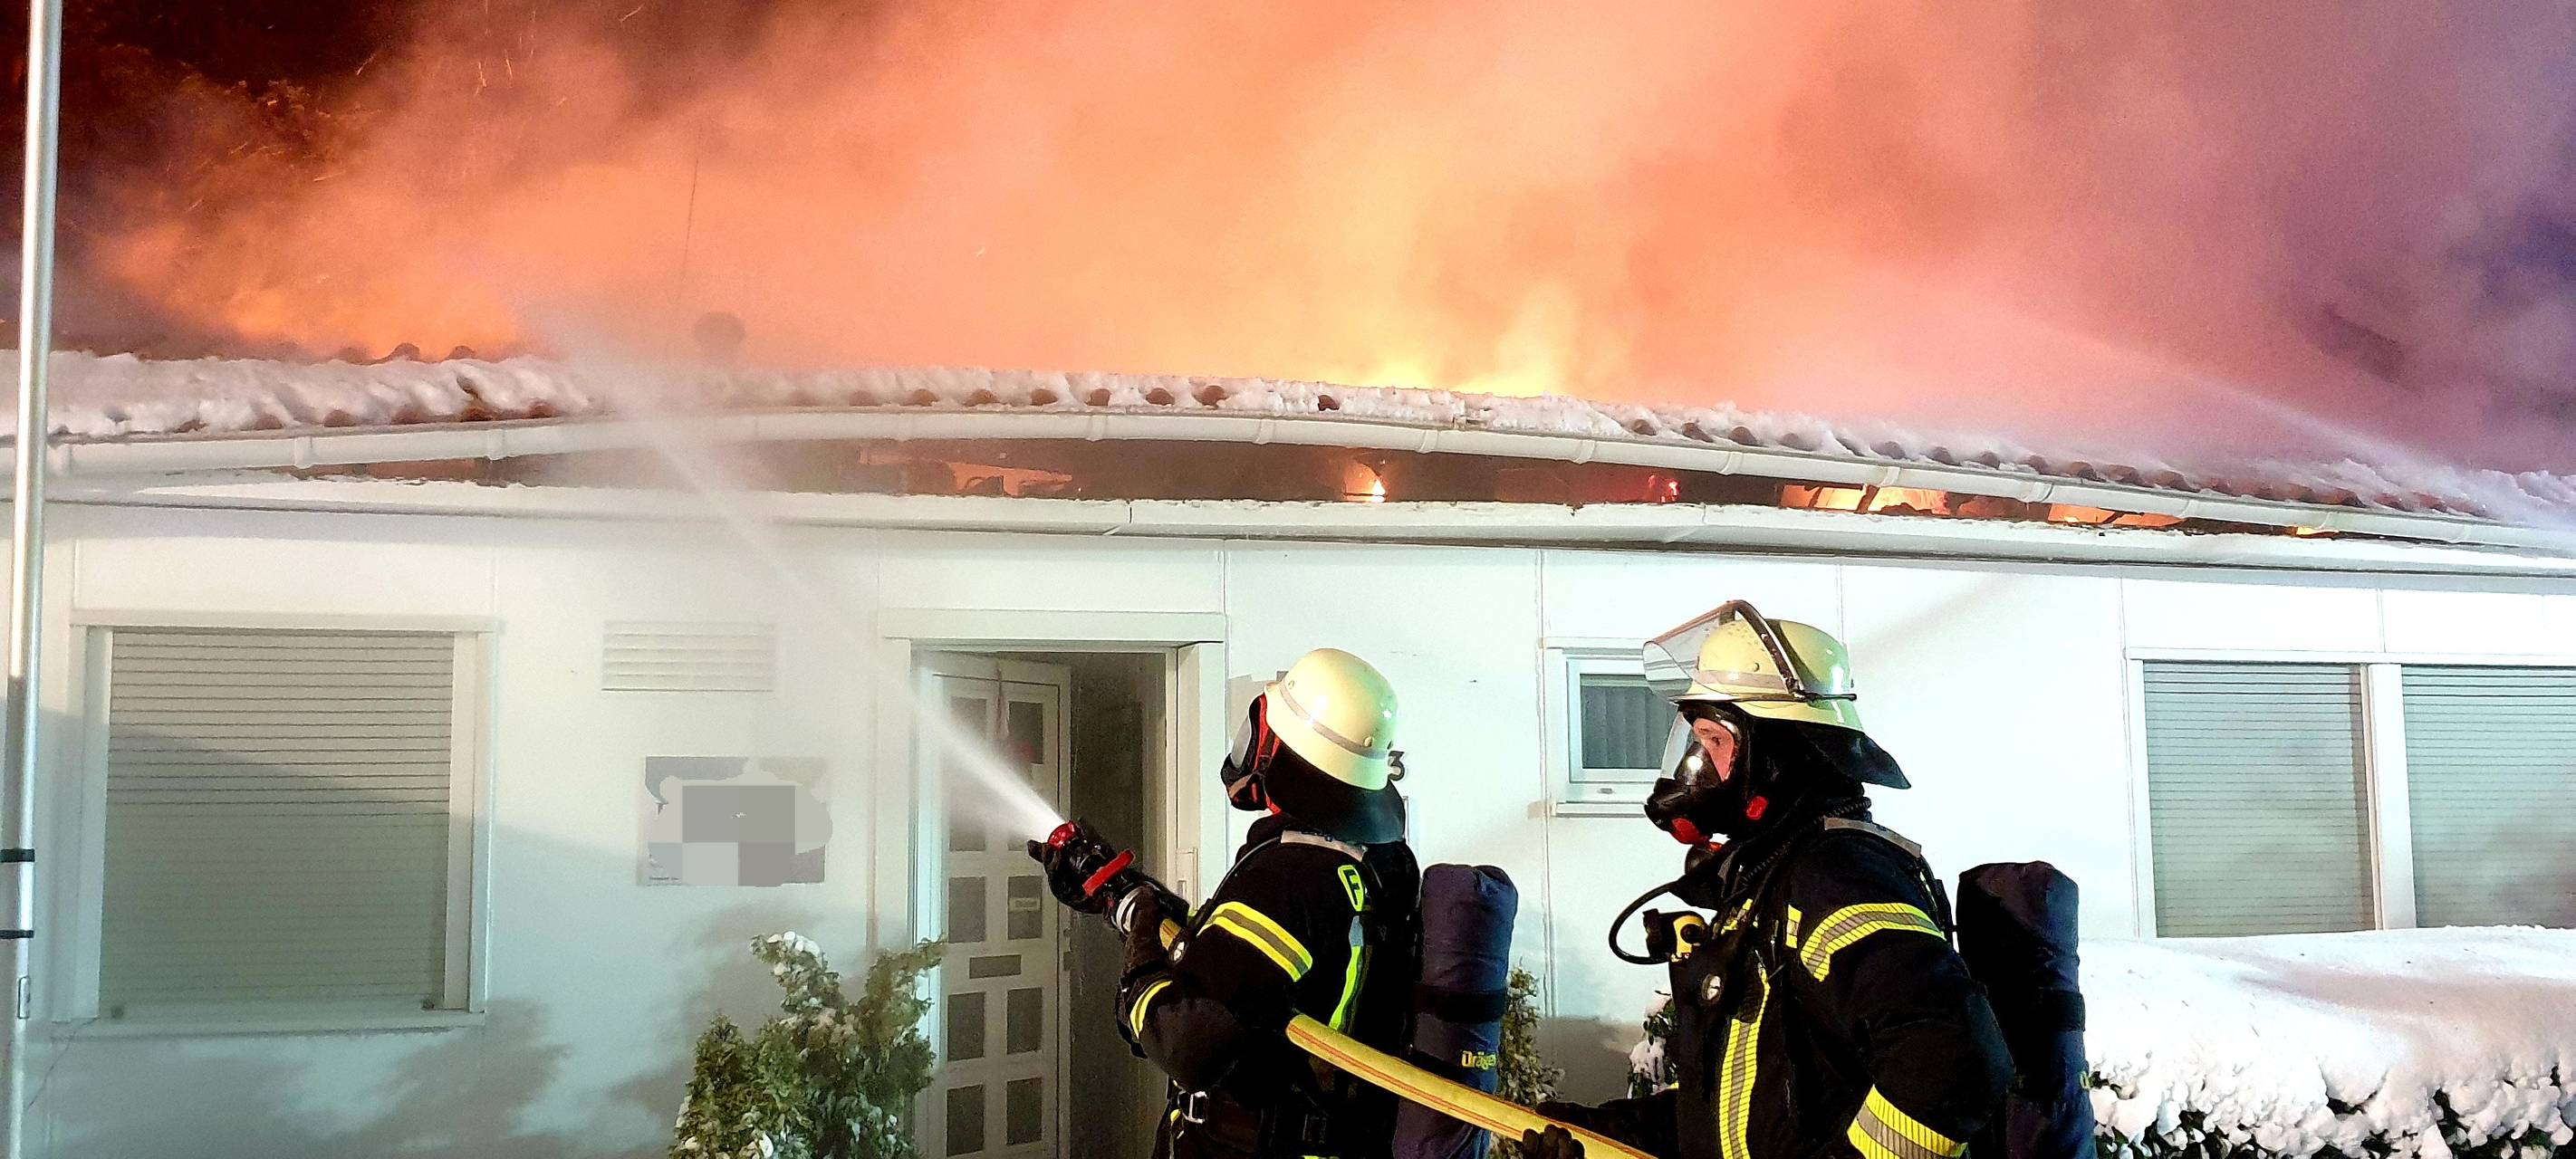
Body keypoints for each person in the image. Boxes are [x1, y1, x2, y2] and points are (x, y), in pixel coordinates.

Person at [1523, 602, 2011, 1159]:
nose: (1698, 767)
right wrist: (1601, 1137)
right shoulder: (1772, 880)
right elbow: (1753, 1102)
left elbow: (1953, 1063)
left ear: (1776, 752)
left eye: (1714, 741)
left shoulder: (1840, 877)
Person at [1037, 647, 1422, 1159]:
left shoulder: (1289, 878)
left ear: (1288, 751)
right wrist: (1122, 897)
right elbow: (1235, 968)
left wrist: (1139, 966)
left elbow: (1183, 1039)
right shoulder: (1374, 864)